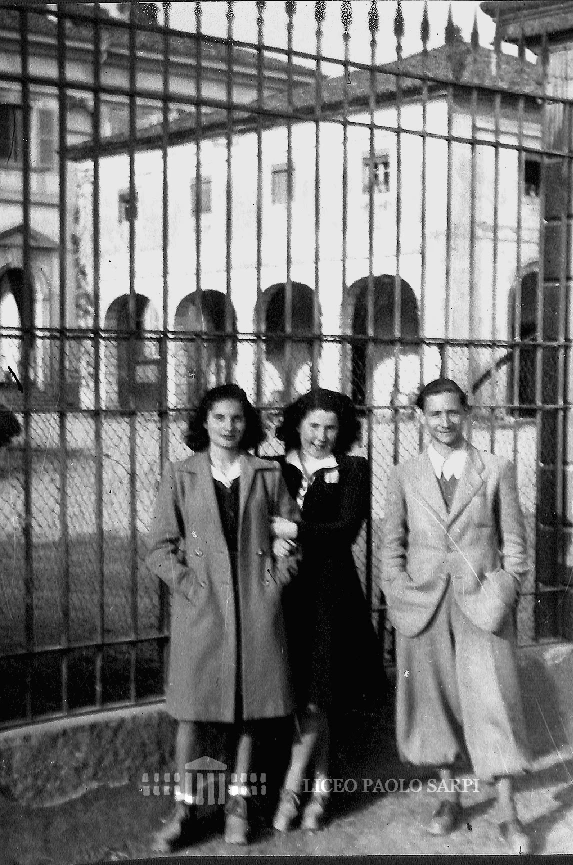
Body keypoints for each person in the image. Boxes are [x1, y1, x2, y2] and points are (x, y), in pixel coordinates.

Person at [380, 378, 531, 854]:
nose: (444, 422)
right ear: (420, 418)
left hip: (481, 604)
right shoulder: (404, 474)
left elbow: (515, 544)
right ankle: (450, 799)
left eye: (452, 412)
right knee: (433, 704)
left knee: (493, 701)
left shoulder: (496, 468)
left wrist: (504, 590)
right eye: (434, 414)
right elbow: (391, 544)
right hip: (423, 606)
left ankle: (508, 812)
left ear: (466, 413)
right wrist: (398, 592)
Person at [147, 383, 299, 851]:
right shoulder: (181, 474)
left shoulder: (268, 474)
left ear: (247, 423)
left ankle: (238, 806)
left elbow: (291, 537)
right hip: (203, 609)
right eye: (219, 418)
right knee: (192, 713)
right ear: (204, 422)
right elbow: (159, 548)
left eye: (237, 418)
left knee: (250, 710)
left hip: (255, 605)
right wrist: (191, 587)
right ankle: (184, 810)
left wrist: (274, 583)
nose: (229, 427)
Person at [270, 388, 385, 833]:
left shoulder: (353, 469)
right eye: (313, 426)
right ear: (297, 425)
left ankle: (291, 791)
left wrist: (293, 529)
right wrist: (275, 538)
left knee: (318, 695)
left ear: (344, 431)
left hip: (330, 596)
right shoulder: (274, 467)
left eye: (331, 427)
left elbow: (345, 530)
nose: (321, 436)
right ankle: (321, 789)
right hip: (283, 594)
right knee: (302, 696)